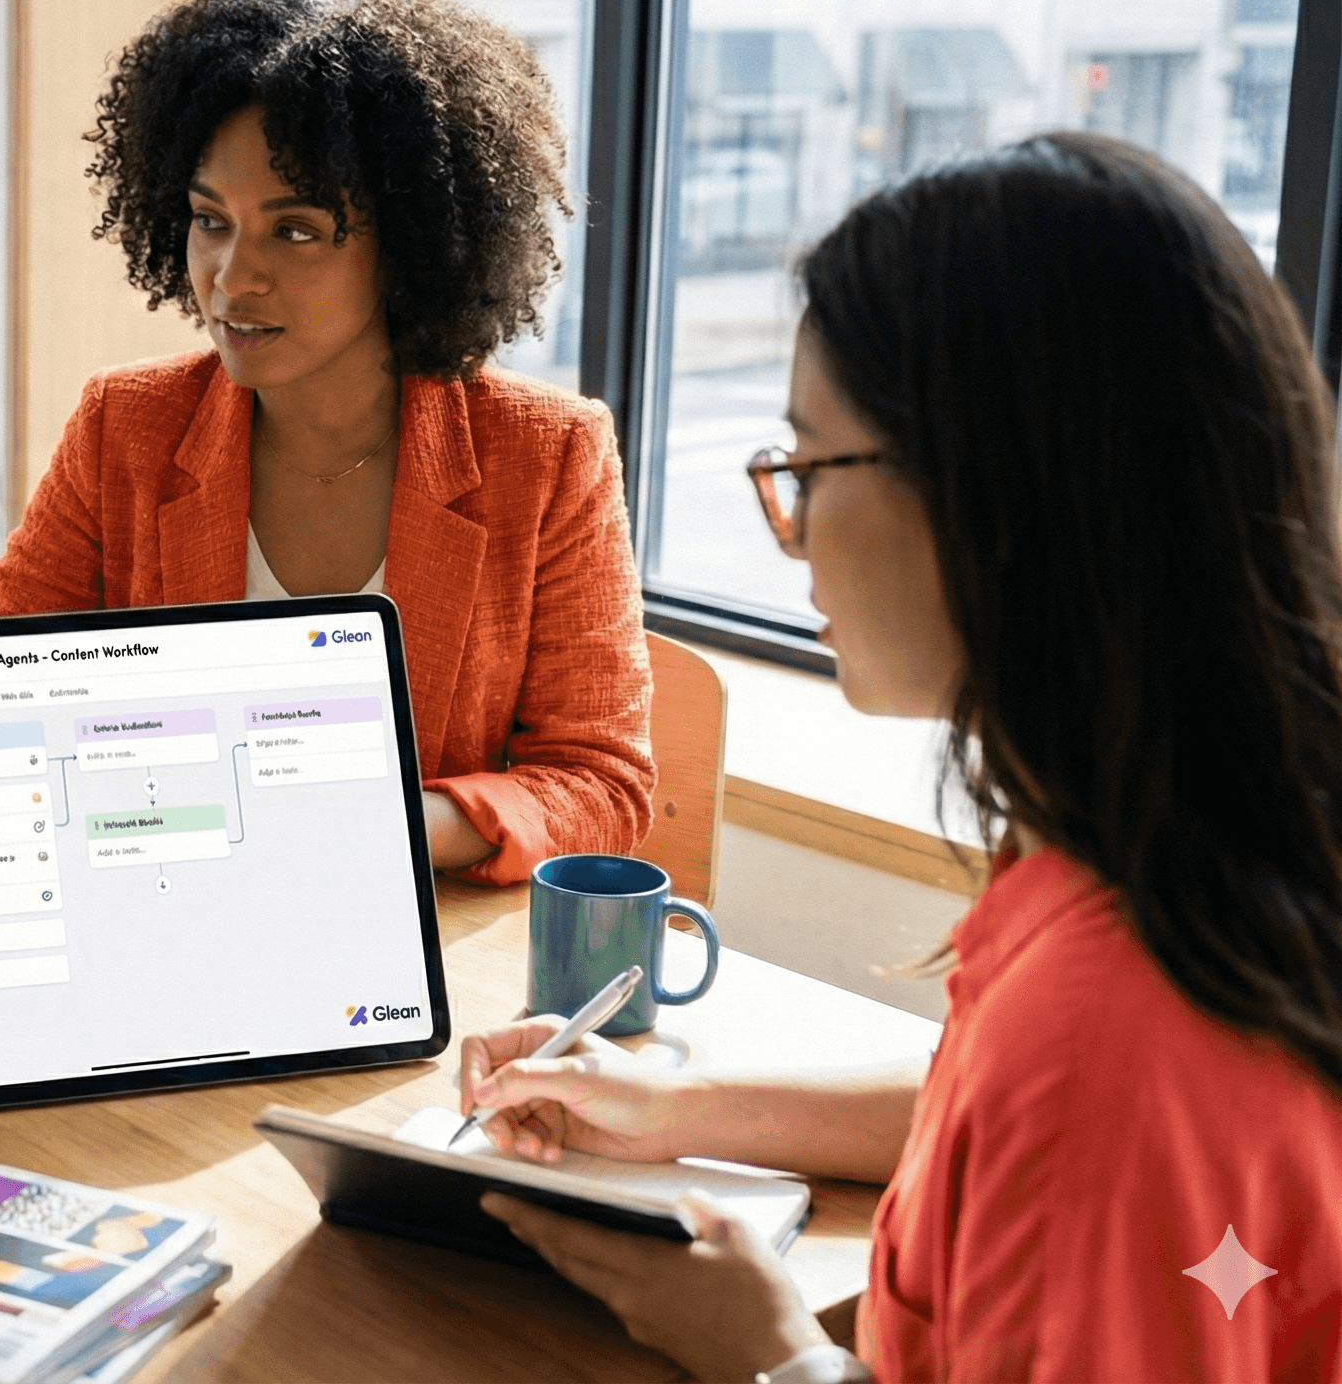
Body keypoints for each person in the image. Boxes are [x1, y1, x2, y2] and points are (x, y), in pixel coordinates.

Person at [462, 133, 1342, 1382]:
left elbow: (1058, 1113)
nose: (794, 531)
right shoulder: (1184, 862)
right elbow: (979, 1108)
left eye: (812, 466)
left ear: (1002, 492)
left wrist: (769, 1353)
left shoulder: (1104, 1044)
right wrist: (681, 1112)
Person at [0, 0, 652, 884]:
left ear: (407, 245)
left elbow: (601, 784)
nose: (231, 277)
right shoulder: (123, 427)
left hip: (415, 939)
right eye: (210, 222)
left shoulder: (548, 455)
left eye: (294, 232)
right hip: (165, 901)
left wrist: (384, 824)